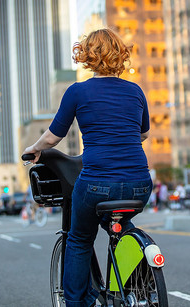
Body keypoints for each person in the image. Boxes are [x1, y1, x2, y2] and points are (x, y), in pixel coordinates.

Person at [22, 28, 152, 307]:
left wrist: (34, 149)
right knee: (121, 225)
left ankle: (77, 303)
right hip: (140, 184)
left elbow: (53, 137)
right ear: (120, 54)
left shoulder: (78, 91)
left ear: (87, 55)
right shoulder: (135, 91)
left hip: (96, 184)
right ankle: (136, 285)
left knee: (80, 239)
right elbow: (142, 135)